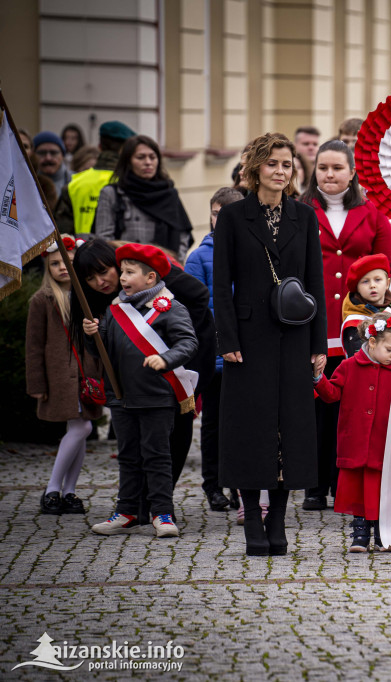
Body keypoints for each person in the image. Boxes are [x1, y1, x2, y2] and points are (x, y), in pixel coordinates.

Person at [213, 132, 328, 556]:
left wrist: (319, 344)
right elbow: (221, 284)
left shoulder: (304, 216)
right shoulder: (233, 216)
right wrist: (226, 338)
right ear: (255, 167)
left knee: (290, 429)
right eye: (273, 164)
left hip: (294, 336)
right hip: (247, 339)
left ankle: (277, 521)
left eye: (287, 165)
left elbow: (313, 280)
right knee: (250, 428)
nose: (280, 171)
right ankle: (251, 524)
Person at [71, 237, 216, 517]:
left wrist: (171, 346)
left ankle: (158, 503)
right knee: (133, 445)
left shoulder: (153, 274)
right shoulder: (99, 301)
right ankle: (134, 503)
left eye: (105, 272)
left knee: (172, 434)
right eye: (90, 278)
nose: (100, 282)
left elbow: (198, 295)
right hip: (132, 378)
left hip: (183, 362)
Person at [314, 312, 391, 552]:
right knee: (357, 487)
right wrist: (318, 378)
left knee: (382, 487)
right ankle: (360, 532)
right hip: (355, 439)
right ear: (372, 342)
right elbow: (332, 394)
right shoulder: (348, 366)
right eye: (390, 349)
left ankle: (382, 532)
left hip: (383, 442)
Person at [27, 238, 104, 515]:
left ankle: (69, 492)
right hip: (59, 377)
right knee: (81, 429)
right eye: (55, 264)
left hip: (87, 377)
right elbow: (34, 345)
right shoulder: (42, 299)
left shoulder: (87, 297)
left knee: (80, 430)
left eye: (68, 263)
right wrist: (36, 383)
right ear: (48, 267)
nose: (62, 268)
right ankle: (52, 489)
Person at [300, 139, 391, 362]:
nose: (329, 174)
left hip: (359, 323)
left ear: (352, 173)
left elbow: (384, 267)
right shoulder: (300, 210)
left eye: (337, 168)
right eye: (322, 168)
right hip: (312, 319)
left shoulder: (373, 213)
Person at [185, 187, 244, 511]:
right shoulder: (199, 257)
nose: (219, 219)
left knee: (241, 426)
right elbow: (193, 312)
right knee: (213, 425)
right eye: (215, 213)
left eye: (226, 214)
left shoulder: (251, 253)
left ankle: (240, 484)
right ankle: (213, 485)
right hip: (214, 356)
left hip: (245, 356)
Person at [94, 135, 193, 261]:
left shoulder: (169, 193)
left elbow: (183, 234)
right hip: (125, 270)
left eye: (152, 157)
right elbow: (104, 239)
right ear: (128, 161)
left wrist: (173, 263)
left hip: (164, 270)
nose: (148, 162)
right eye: (140, 157)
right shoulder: (112, 194)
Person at [56, 120, 135, 235]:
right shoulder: (132, 183)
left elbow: (62, 235)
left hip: (80, 250)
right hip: (123, 251)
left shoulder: (74, 184)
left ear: (99, 147)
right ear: (126, 150)